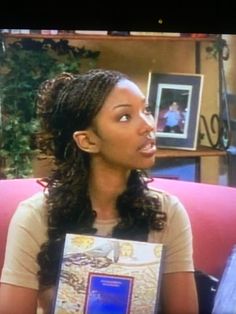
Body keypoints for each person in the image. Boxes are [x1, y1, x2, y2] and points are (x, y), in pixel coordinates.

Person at [0, 69, 198, 314]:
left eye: (145, 110)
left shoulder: (167, 212)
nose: (148, 125)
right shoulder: (35, 216)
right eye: (125, 117)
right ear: (87, 141)